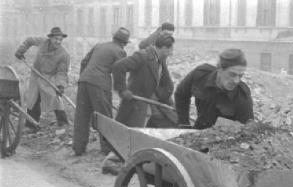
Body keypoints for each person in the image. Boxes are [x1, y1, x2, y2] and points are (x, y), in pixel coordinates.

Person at [174, 48, 254, 187]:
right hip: (197, 139)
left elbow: (247, 134)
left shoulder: (242, 97)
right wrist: (182, 123)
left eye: (241, 76)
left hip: (224, 149)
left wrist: (228, 155)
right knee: (183, 181)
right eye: (232, 75)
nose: (236, 80)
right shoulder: (200, 74)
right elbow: (181, 94)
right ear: (219, 70)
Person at [102, 32, 175, 174]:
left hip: (149, 102)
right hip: (135, 102)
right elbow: (118, 67)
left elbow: (166, 83)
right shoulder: (142, 56)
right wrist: (123, 90)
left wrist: (164, 100)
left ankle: (140, 162)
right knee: (131, 134)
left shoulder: (160, 60)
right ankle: (110, 162)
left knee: (163, 125)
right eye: (171, 49)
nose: (172, 52)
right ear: (164, 48)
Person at [72, 27, 130, 156]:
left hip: (84, 81)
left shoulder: (99, 45)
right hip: (99, 84)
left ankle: (78, 148)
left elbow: (84, 62)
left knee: (82, 115)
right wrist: (122, 91)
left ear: (114, 37)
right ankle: (107, 149)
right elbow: (119, 72)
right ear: (124, 43)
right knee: (104, 117)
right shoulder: (120, 51)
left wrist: (85, 78)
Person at [14, 27, 70, 130]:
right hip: (36, 74)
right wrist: (20, 51)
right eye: (56, 39)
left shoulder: (64, 54)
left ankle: (63, 123)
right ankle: (32, 125)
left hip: (49, 77)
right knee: (33, 99)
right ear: (50, 38)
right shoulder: (42, 42)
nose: (58, 41)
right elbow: (29, 40)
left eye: (60, 40)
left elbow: (61, 72)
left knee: (54, 97)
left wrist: (60, 85)